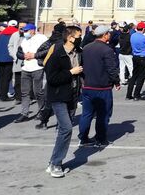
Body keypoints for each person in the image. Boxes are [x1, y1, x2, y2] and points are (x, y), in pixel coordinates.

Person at [43, 26, 83, 178]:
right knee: (66, 128)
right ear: (70, 37)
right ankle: (56, 164)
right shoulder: (57, 54)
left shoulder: (78, 52)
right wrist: (70, 73)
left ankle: (53, 161)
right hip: (58, 96)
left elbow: (82, 72)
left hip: (72, 95)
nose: (80, 38)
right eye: (79, 35)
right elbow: (52, 78)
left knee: (63, 130)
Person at [78, 25, 121, 148]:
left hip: (87, 86)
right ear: (105, 35)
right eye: (109, 33)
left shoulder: (86, 48)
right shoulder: (107, 50)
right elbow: (111, 69)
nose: (110, 35)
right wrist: (116, 81)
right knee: (103, 114)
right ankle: (100, 139)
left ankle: (83, 138)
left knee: (86, 114)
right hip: (102, 87)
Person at [14, 24, 47, 123]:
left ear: (32, 30)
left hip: (37, 67)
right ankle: (24, 113)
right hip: (25, 68)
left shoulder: (42, 38)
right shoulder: (24, 40)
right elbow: (18, 53)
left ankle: (42, 110)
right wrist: (23, 55)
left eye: (26, 31)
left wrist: (35, 55)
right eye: (24, 31)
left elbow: (48, 50)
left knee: (38, 92)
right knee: (25, 92)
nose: (25, 33)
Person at [0, 20, 19, 101]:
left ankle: (1, 94)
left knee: (1, 77)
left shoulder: (0, 34)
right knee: (7, 77)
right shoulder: (15, 33)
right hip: (9, 58)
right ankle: (4, 96)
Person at [127, 24, 145, 101]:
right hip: (144, 57)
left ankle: (128, 94)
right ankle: (136, 95)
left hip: (135, 56)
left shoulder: (133, 36)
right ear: (143, 29)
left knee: (134, 75)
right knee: (141, 77)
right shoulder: (144, 38)